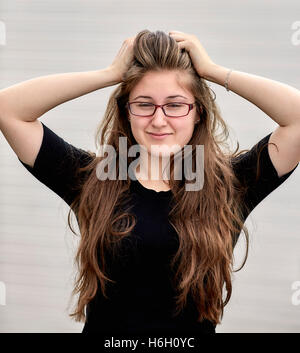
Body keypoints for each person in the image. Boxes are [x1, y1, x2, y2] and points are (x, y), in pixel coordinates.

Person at [0, 29, 299, 336]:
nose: (158, 120)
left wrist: (213, 71)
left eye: (175, 104)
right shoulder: (97, 179)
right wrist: (110, 74)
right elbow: (8, 109)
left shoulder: (229, 185)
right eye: (143, 104)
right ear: (125, 111)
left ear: (198, 112)